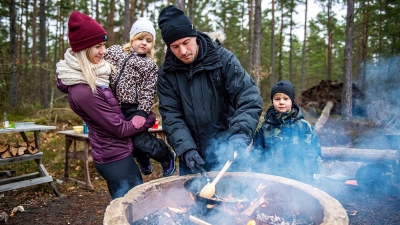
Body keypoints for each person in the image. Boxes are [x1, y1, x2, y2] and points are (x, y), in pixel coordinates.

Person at [56, 11, 156, 199]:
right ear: (84, 49)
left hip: (119, 152)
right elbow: (119, 128)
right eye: (98, 46)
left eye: (104, 44)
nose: (104, 51)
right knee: (133, 207)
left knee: (132, 207)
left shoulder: (97, 74)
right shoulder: (83, 91)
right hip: (114, 158)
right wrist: (148, 117)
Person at [157, 5, 263, 175]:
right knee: (193, 199)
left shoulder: (224, 60)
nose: (183, 51)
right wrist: (185, 149)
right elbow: (171, 116)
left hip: (229, 154)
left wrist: (239, 135)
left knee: (235, 200)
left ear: (195, 36)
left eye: (186, 43)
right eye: (175, 46)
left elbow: (249, 97)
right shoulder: (166, 74)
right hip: (193, 159)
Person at [103, 17, 176, 177]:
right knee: (127, 142)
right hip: (114, 105)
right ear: (132, 38)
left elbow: (148, 91)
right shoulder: (116, 52)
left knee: (139, 141)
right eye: (140, 38)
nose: (144, 43)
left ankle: (165, 155)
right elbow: (99, 59)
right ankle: (142, 158)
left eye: (149, 40)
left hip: (133, 108)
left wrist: (142, 112)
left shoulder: (149, 65)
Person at [251, 80, 322, 185]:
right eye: (277, 99)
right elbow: (256, 152)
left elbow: (314, 152)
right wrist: (257, 175)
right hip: (270, 179)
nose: (281, 102)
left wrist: (314, 174)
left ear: (292, 101)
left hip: (299, 179)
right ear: (272, 101)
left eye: (285, 99)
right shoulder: (265, 127)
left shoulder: (304, 127)